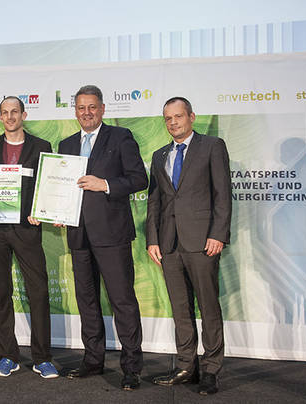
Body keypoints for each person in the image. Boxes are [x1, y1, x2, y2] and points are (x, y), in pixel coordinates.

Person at [58, 85, 148, 391]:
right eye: (81, 108)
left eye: (92, 107)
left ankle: (132, 367)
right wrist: (56, 209)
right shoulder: (66, 143)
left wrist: (105, 184)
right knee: (87, 300)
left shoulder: (120, 137)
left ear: (103, 109)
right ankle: (93, 359)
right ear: (75, 111)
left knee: (122, 301)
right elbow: (61, 187)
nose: (87, 112)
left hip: (112, 234)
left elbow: (139, 178)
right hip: (78, 233)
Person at [146, 97, 232, 395]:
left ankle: (211, 369)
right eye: (168, 118)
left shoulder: (212, 146)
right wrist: (153, 239)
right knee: (180, 309)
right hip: (169, 245)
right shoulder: (159, 155)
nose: (173, 122)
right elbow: (154, 202)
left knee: (208, 307)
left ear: (191, 117)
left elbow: (222, 194)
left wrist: (218, 233)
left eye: (178, 116)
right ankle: (186, 365)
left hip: (202, 241)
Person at [0, 96, 58, 378]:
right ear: (0, 117)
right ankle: (7, 356)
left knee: (38, 292)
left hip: (27, 229)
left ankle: (42, 358)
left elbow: (47, 186)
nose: (10, 116)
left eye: (15, 112)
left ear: (23, 115)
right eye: (5, 112)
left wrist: (42, 210)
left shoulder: (41, 147)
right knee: (1, 294)